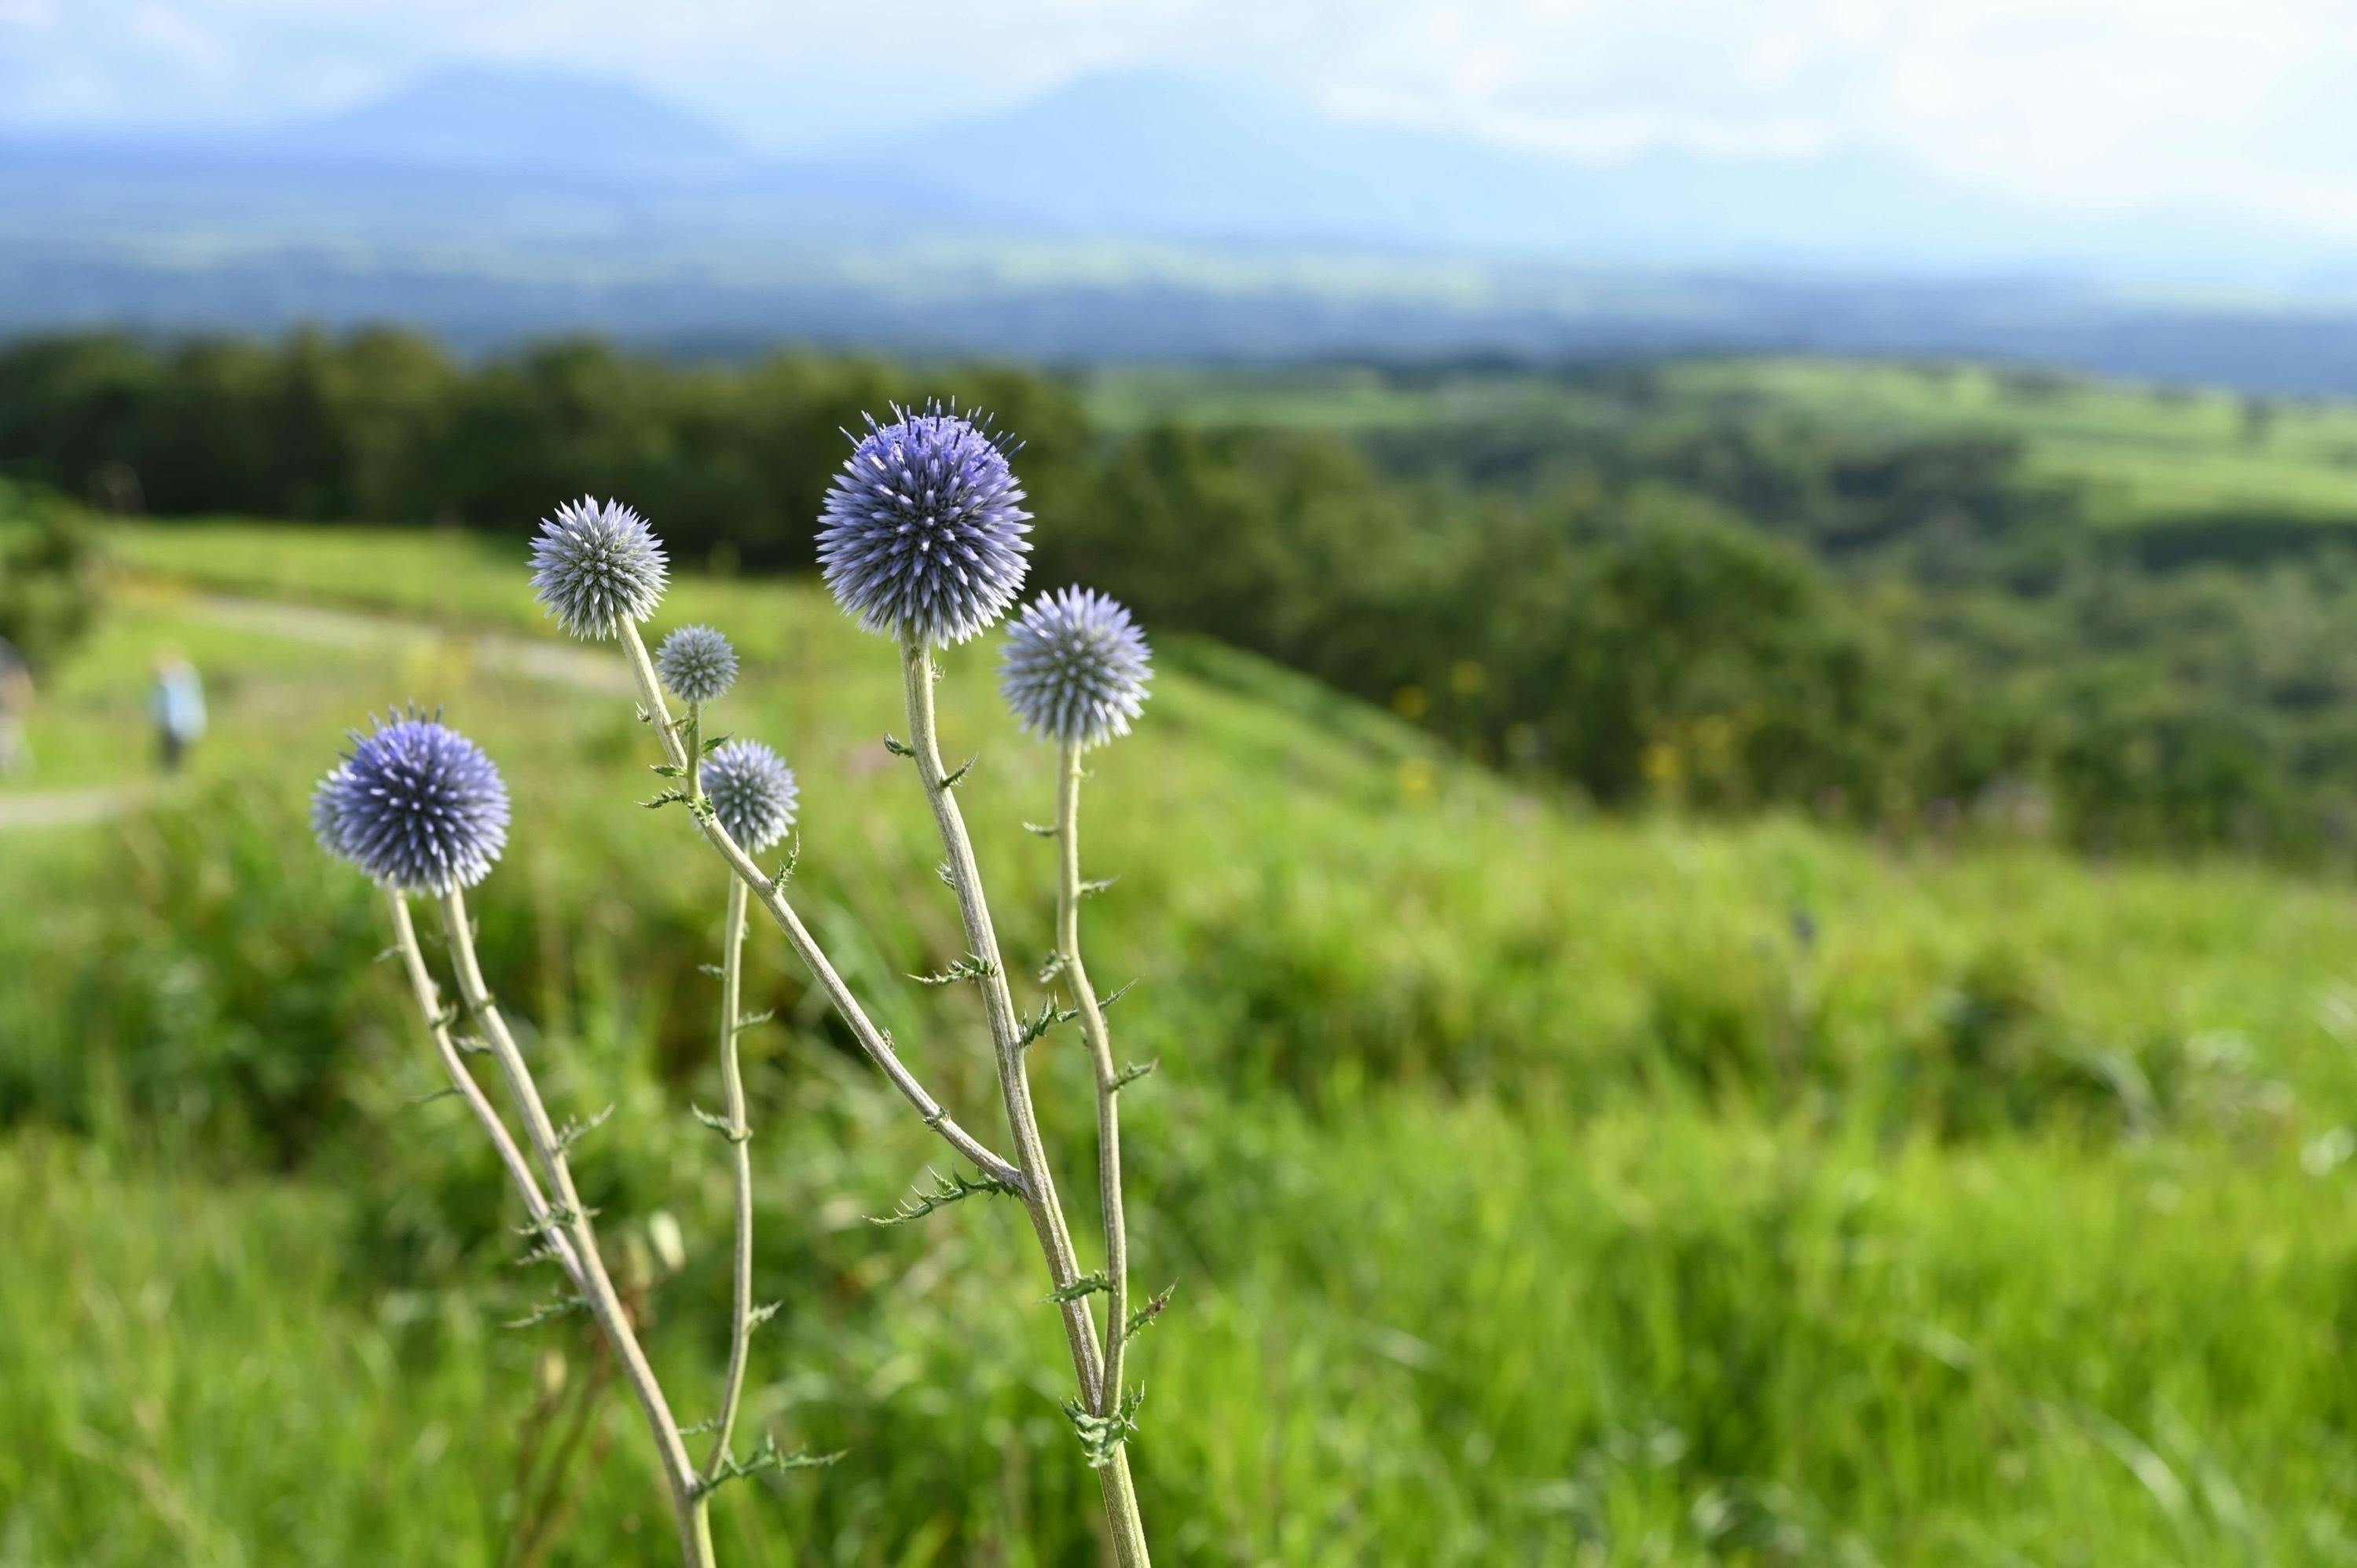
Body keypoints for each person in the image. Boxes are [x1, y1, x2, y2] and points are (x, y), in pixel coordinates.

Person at [151, 650, 207, 773]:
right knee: (173, 756)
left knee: (178, 756)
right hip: (174, 725)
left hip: (180, 724)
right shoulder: (168, 683)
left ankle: (179, 776)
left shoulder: (180, 679)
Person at [0, 637, 30, 779]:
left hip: (4, 709)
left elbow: (16, 674)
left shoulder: (3, 649)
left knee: (8, 740)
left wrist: (21, 698)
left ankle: (17, 774)